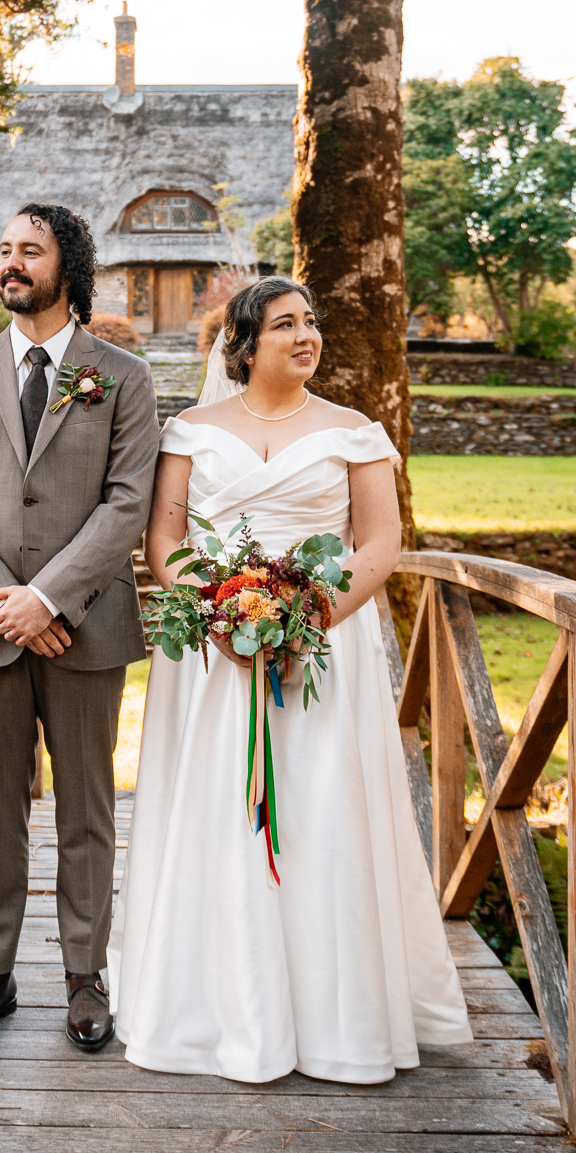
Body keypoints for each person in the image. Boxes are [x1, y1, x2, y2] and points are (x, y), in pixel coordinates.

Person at [111, 275, 473, 1084]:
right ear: (243, 344)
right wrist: (222, 614)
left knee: (323, 808)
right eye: (285, 325)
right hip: (212, 655)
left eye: (311, 322)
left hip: (326, 650)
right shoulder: (189, 431)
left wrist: (306, 619)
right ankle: (211, 1011)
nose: (306, 336)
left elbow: (380, 542)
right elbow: (163, 542)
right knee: (214, 809)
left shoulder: (355, 432)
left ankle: (337, 1021)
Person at [0, 203, 158, 1054]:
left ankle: (86, 977)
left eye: (31, 250)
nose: (12, 263)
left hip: (85, 631)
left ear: (70, 265)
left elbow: (129, 502)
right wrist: (5, 603)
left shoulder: (120, 376)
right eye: (4, 250)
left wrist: (49, 599)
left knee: (88, 806)